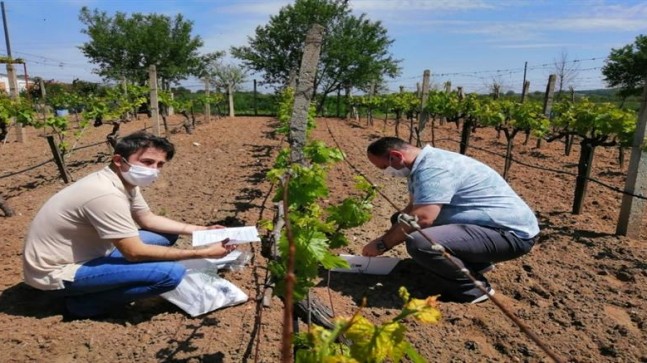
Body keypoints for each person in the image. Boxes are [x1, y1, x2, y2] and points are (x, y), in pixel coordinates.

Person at [23, 131, 237, 319]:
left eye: (159, 165)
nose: (154, 170)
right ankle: (82, 305)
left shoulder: (123, 182)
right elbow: (133, 253)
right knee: (171, 274)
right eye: (147, 162)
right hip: (58, 272)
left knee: (164, 236)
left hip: (90, 252)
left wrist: (201, 230)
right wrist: (202, 253)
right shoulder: (104, 194)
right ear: (119, 160)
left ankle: (107, 283)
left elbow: (147, 219)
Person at [362, 137, 539, 304]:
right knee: (400, 219)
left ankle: (473, 289)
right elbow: (413, 207)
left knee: (421, 242)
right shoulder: (423, 164)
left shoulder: (434, 169)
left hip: (511, 234)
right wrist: (393, 229)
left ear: (396, 156)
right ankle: (473, 262)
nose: (386, 173)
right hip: (487, 225)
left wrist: (382, 244)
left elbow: (422, 218)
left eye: (384, 167)